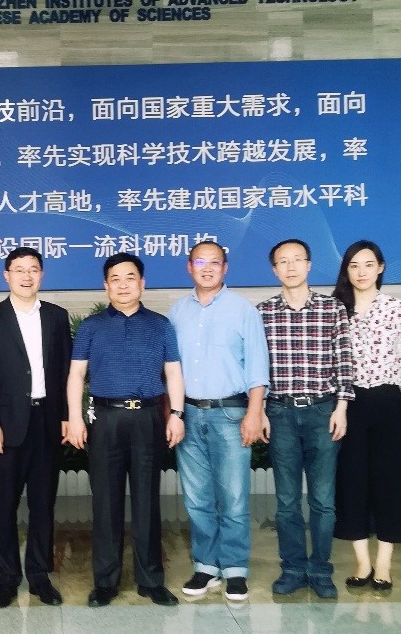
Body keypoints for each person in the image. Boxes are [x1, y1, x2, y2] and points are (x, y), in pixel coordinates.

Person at [66, 252, 186, 608]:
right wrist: (75, 418)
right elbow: (76, 374)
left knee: (147, 500)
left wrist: (177, 414)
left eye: (130, 278)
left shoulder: (161, 325)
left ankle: (151, 580)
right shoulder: (91, 326)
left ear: (142, 283)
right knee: (106, 501)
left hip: (149, 418)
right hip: (106, 419)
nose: (123, 285)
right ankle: (105, 582)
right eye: (115, 279)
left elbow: (173, 372)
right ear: (106, 286)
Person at [0, 247, 72, 608]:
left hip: (47, 422)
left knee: (43, 504)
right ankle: (7, 580)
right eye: (19, 270)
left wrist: (66, 415)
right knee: (5, 505)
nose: (26, 276)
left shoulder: (57, 317)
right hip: (6, 427)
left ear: (41, 274)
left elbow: (65, 371)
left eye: (33, 269)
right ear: (6, 275)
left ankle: (40, 577)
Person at [168, 241, 269, 602]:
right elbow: (170, 369)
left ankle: (236, 569)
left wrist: (254, 413)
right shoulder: (177, 311)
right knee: (197, 498)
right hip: (189, 413)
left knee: (234, 497)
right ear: (189, 267)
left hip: (231, 413)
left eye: (215, 263)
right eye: (200, 262)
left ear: (225, 268)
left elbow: (257, 366)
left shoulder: (243, 310)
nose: (207, 268)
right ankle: (206, 566)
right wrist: (174, 414)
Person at [256, 239, 353, 599]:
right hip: (279, 413)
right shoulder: (263, 312)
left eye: (297, 260)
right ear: (274, 270)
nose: (291, 266)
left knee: (323, 500)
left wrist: (342, 407)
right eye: (283, 261)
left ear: (309, 265)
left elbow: (344, 359)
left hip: (323, 411)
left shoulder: (332, 309)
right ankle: (293, 568)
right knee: (286, 501)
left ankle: (321, 569)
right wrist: (260, 410)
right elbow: (256, 367)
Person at [331, 241, 401, 591]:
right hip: (348, 402)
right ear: (346, 270)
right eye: (354, 265)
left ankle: (384, 563)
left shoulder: (396, 308)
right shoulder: (335, 309)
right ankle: (362, 562)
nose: (361, 272)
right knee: (352, 480)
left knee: (391, 481)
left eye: (368, 264)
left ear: (381, 267)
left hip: (387, 401)